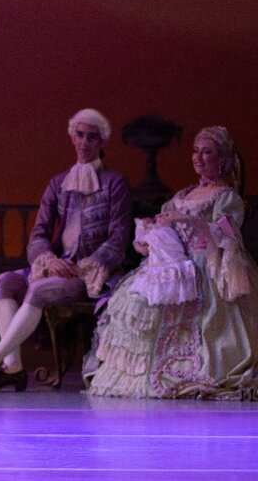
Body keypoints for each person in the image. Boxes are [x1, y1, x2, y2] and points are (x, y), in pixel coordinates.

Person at [0, 109, 132, 392]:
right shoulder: (58, 183)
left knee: (39, 291)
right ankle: (13, 368)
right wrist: (49, 260)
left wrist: (85, 266)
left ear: (102, 142)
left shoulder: (115, 184)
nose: (85, 142)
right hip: (56, 266)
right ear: (72, 138)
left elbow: (117, 240)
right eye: (80, 135)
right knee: (2, 283)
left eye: (92, 137)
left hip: (89, 274)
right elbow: (39, 233)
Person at [84, 126, 258, 399]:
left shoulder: (226, 197)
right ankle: (132, 374)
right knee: (134, 301)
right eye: (195, 151)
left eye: (207, 152)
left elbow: (227, 235)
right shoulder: (182, 195)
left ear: (222, 159)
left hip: (206, 266)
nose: (199, 158)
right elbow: (165, 227)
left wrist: (189, 221)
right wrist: (148, 237)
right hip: (173, 266)